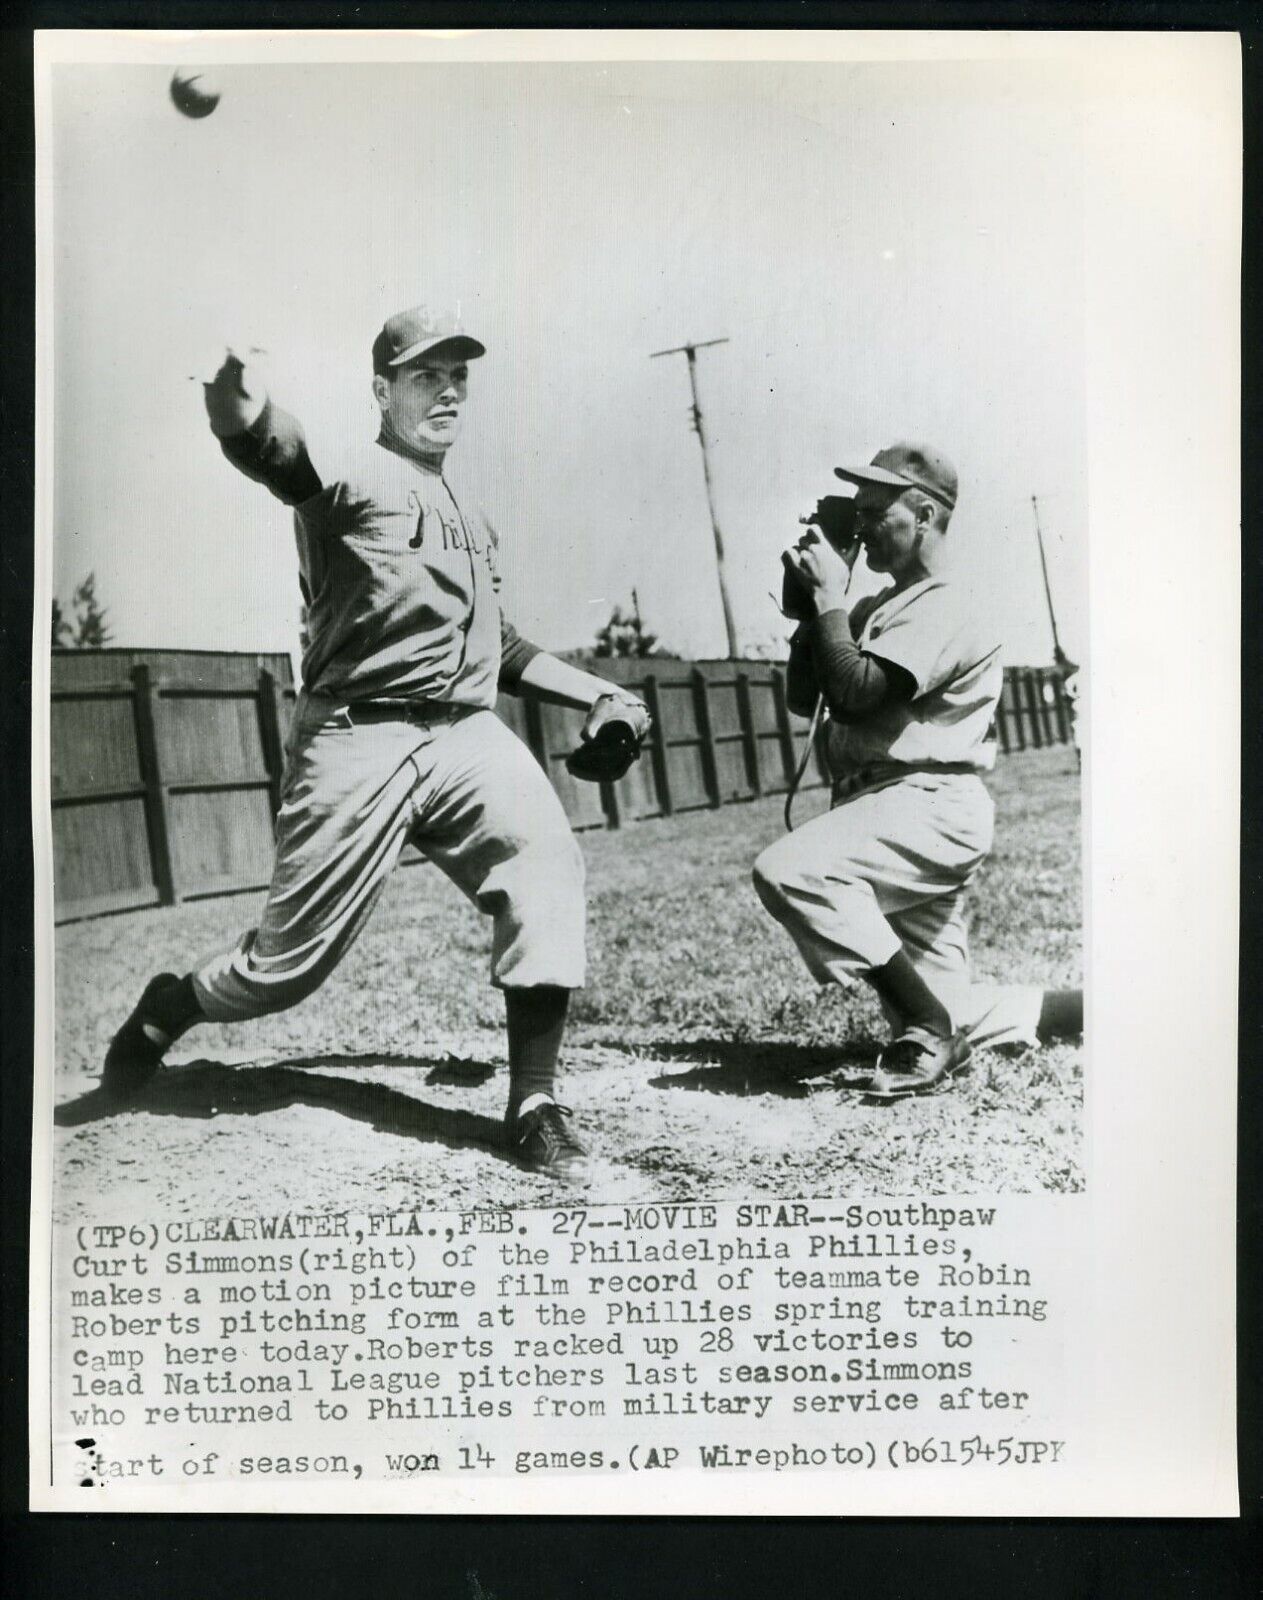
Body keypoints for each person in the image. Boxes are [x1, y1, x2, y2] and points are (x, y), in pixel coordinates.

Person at [101, 304, 650, 1177]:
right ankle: (175, 1003)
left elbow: (495, 648)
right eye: (426, 375)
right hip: (358, 734)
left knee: (545, 863)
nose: (448, 391)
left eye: (458, 375)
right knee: (284, 969)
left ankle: (535, 1102)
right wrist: (233, 398)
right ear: (381, 389)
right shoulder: (352, 470)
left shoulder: (469, 508)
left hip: (465, 733)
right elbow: (266, 448)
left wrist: (600, 690)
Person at [752, 442, 1082, 1100]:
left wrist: (828, 602)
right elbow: (805, 698)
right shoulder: (874, 606)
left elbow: (854, 694)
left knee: (789, 871)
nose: (860, 525)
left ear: (924, 514)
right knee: (954, 1005)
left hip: (926, 804)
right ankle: (1079, 1010)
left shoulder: (953, 602)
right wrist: (805, 614)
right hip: (878, 806)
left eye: (874, 511)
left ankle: (925, 1026)